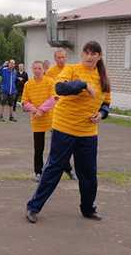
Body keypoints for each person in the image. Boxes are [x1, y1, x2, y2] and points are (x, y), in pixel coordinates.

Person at [26, 41, 111, 223]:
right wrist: (82, 84)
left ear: (99, 56)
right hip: (64, 128)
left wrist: (101, 114)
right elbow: (60, 88)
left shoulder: (103, 77)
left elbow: (106, 103)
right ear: (82, 54)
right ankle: (33, 207)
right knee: (53, 169)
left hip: (88, 133)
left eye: (94, 53)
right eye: (87, 53)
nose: (90, 56)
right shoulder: (72, 70)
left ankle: (88, 209)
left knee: (88, 173)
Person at [21, 61, 56, 180]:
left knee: (57, 147)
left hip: (50, 119)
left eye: (39, 68)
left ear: (43, 70)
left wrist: (41, 110)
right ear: (32, 69)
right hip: (36, 120)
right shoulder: (28, 84)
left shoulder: (50, 81)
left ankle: (62, 169)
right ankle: (38, 172)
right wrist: (35, 110)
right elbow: (24, 101)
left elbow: (53, 98)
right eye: (35, 68)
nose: (37, 70)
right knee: (38, 148)